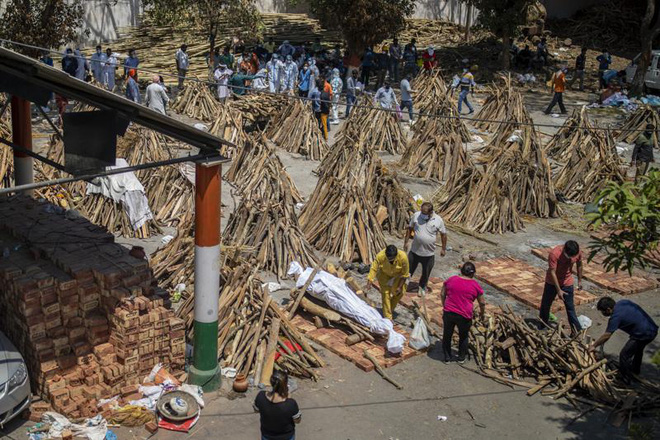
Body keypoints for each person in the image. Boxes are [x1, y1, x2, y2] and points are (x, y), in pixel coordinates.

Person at [589, 297, 658, 383]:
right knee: (638, 349)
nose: (603, 314)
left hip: (643, 334)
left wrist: (594, 346)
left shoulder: (616, 317)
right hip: (652, 328)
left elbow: (607, 335)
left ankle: (625, 379)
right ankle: (635, 370)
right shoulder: (623, 302)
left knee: (624, 355)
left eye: (603, 311)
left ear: (608, 309)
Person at [441, 262, 485, 363]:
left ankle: (447, 358)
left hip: (449, 312)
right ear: (473, 273)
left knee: (447, 334)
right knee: (464, 336)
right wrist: (482, 313)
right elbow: (482, 303)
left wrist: (444, 306)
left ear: (461, 271)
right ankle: (461, 358)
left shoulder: (451, 280)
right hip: (464, 316)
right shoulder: (475, 285)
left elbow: (443, 294)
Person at [539, 240, 583, 334]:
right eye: (569, 256)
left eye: (573, 257)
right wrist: (558, 290)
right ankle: (543, 325)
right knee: (545, 305)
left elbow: (579, 264)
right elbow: (552, 272)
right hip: (552, 282)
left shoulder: (577, 252)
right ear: (564, 250)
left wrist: (579, 280)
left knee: (570, 307)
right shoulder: (554, 254)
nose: (571, 258)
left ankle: (576, 330)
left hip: (567, 282)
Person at [404, 201, 447, 296]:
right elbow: (410, 228)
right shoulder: (416, 215)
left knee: (426, 273)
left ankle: (422, 287)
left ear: (431, 212)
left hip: (428, 254)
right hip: (414, 251)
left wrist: (443, 249)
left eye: (424, 213)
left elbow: (443, 234)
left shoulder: (438, 220)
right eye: (421, 212)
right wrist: (406, 242)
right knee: (408, 270)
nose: (422, 214)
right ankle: (404, 285)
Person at [253, 370, 301, 440]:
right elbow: (297, 420)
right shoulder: (290, 404)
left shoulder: (261, 396)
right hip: (286, 437)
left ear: (271, 382)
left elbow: (256, 410)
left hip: (267, 436)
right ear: (285, 384)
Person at [367, 245, 409, 320]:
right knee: (385, 295)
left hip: (397, 276)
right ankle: (388, 317)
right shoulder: (380, 256)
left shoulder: (403, 257)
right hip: (384, 275)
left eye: (392, 259)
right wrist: (370, 281)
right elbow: (373, 268)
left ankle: (389, 309)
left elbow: (405, 275)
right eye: (388, 259)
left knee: (399, 293)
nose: (390, 261)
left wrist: (399, 287)